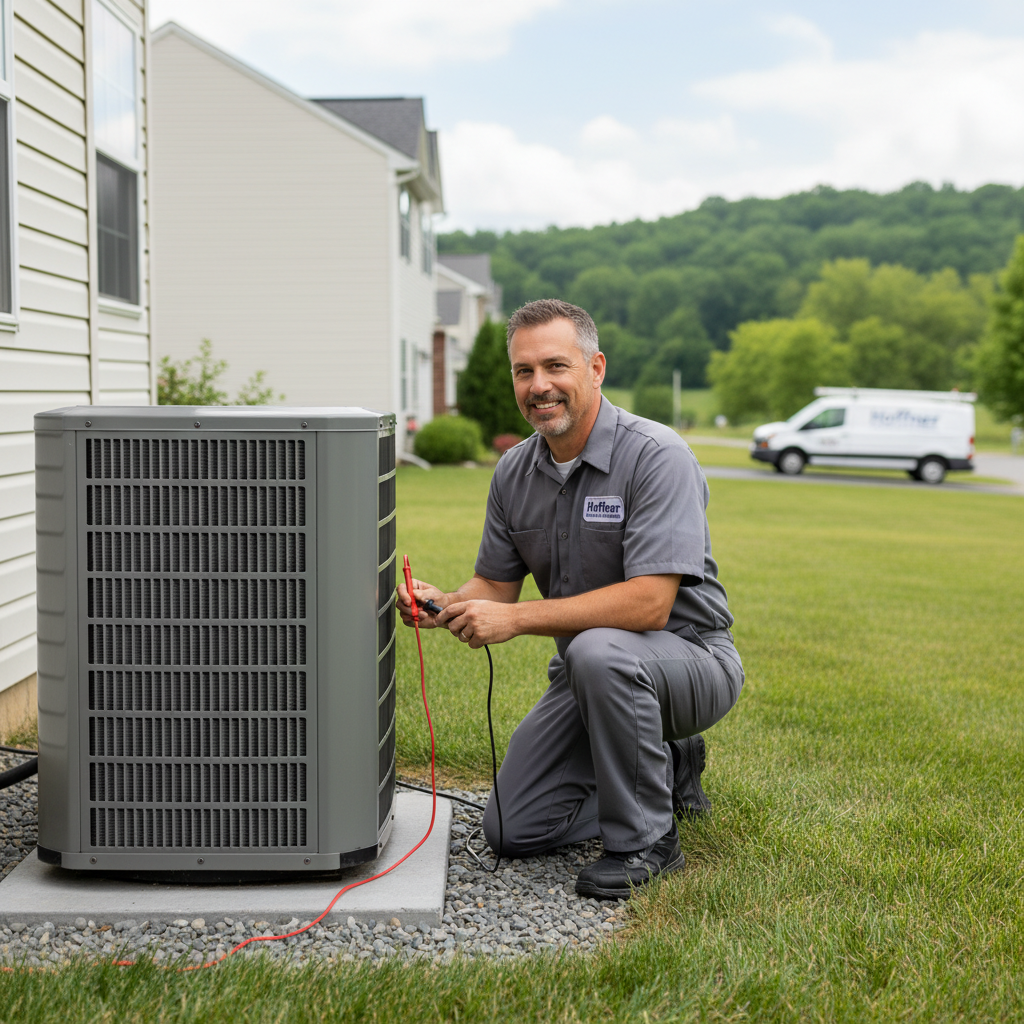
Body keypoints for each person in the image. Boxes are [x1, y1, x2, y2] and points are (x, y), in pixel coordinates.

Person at [398, 299, 743, 899]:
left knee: (598, 651)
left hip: (691, 662)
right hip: (590, 675)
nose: (539, 386)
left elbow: (649, 606)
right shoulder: (513, 473)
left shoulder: (656, 456)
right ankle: (662, 769)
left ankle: (647, 841)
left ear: (596, 368)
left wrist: (516, 619)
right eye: (523, 371)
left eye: (556, 366)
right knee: (512, 828)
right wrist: (442, 602)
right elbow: (496, 588)